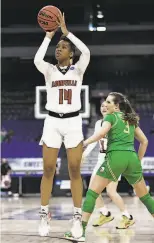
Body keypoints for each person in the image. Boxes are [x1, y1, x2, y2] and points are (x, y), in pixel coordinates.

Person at [34, 12, 90, 237]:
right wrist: (49, 37)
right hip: (52, 122)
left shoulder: (78, 70)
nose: (59, 49)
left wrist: (67, 33)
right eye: (57, 46)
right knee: (48, 169)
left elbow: (86, 51)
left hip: (74, 122)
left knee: (75, 169)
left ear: (71, 54)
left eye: (63, 46)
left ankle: (77, 217)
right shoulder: (49, 70)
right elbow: (37, 59)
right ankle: (44, 213)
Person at [71, 92, 154, 241]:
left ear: (116, 106)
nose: (105, 104)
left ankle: (80, 232)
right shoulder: (130, 119)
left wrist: (84, 143)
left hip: (115, 157)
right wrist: (137, 160)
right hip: (132, 158)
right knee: (146, 197)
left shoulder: (111, 117)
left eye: (109, 102)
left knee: (92, 193)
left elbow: (101, 133)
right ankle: (114, 215)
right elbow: (145, 141)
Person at [82, 101, 133, 229]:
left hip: (112, 159)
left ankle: (127, 217)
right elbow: (95, 140)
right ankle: (105, 213)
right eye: (102, 106)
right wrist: (84, 154)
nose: (104, 108)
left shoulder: (117, 122)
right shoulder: (98, 123)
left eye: (107, 106)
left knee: (111, 192)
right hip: (101, 159)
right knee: (92, 190)